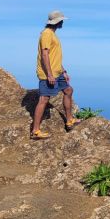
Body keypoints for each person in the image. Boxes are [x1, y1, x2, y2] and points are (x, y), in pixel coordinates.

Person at [31, 10, 81, 139]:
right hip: (49, 73)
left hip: (57, 72)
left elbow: (54, 56)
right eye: (62, 20)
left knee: (68, 90)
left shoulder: (52, 34)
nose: (63, 22)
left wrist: (63, 71)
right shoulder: (47, 34)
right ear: (57, 21)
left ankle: (69, 120)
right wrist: (49, 74)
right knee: (44, 99)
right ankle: (35, 131)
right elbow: (44, 55)